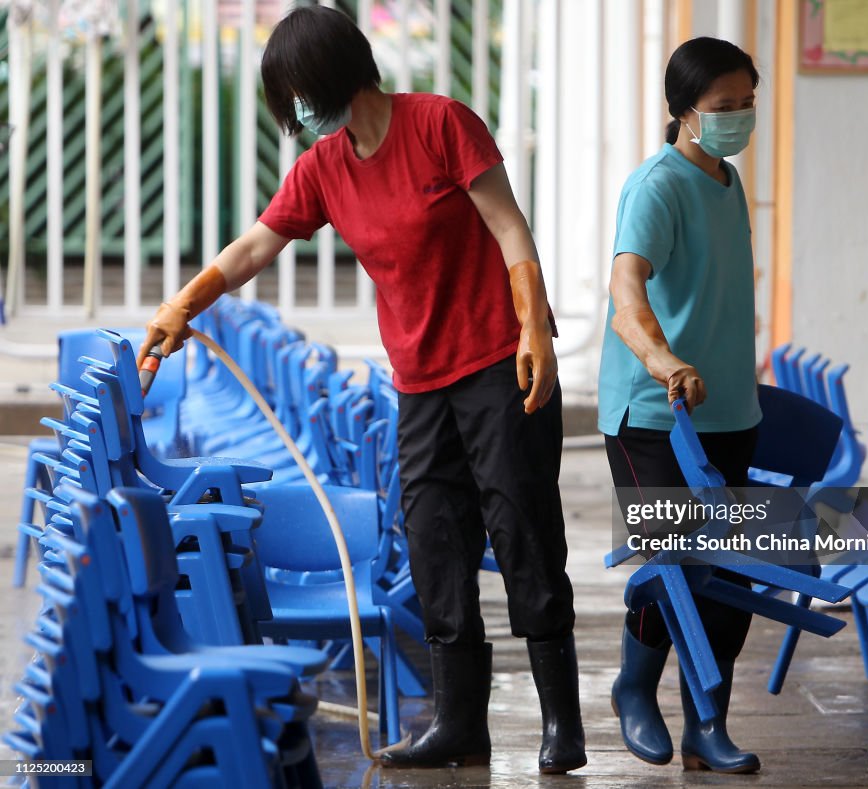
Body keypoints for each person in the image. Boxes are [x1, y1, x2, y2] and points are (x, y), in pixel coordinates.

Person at [137, 5, 585, 775]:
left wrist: (533, 327)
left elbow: (510, 226)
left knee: (523, 531)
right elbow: (254, 246)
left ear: (338, 74)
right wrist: (185, 302)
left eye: (300, 97)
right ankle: (458, 723)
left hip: (494, 364)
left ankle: (561, 722)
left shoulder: (442, 125)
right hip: (419, 380)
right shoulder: (324, 167)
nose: (300, 118)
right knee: (434, 540)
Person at [597, 37, 763, 774]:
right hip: (655, 415)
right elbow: (625, 292)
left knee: (729, 573)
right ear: (684, 113)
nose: (739, 119)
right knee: (673, 561)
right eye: (724, 108)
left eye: (747, 104)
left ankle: (708, 722)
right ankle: (635, 686)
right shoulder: (657, 185)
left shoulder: (727, 182)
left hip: (729, 411)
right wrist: (665, 361)